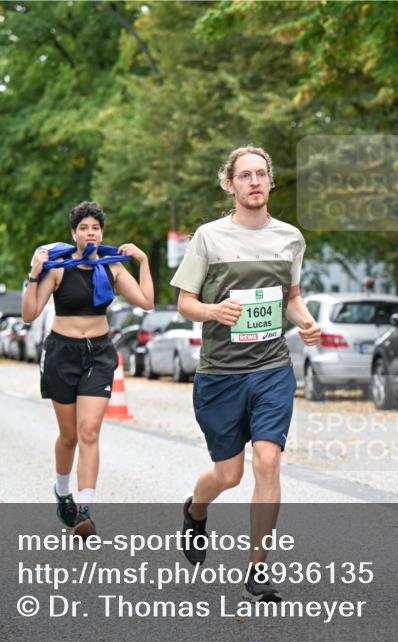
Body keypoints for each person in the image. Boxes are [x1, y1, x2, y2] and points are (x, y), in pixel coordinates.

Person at [171, 145, 320, 603]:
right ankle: (196, 511)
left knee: (268, 460)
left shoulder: (290, 238)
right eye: (245, 175)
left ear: (270, 181)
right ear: (229, 184)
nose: (254, 182)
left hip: (271, 367)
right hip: (221, 372)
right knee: (229, 474)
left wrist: (305, 320)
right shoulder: (208, 238)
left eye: (261, 174)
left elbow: (291, 297)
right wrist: (214, 310)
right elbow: (185, 303)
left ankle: (258, 568)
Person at [22, 201, 153, 538]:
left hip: (99, 354)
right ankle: (62, 491)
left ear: (102, 233)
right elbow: (29, 314)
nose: (90, 233)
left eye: (95, 228)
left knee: (89, 431)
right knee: (68, 436)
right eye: (84, 228)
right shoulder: (58, 268)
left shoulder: (112, 267)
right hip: (62, 354)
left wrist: (143, 261)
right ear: (74, 233)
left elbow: (146, 301)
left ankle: (85, 510)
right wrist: (35, 273)